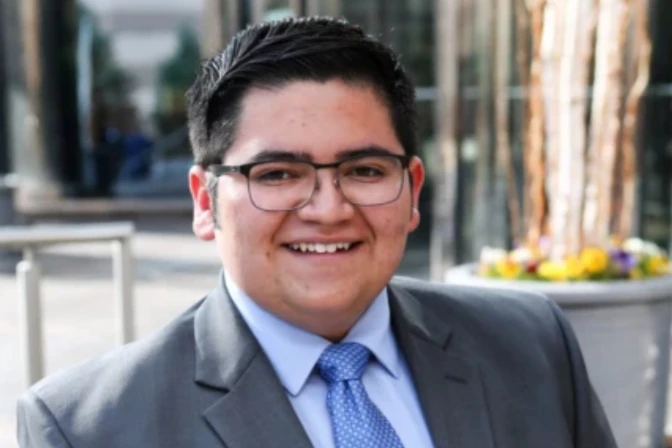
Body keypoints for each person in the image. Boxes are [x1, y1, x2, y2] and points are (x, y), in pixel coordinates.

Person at [17, 17, 616, 448]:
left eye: (365, 171)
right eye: (277, 174)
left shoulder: (532, 345)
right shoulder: (88, 427)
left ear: (412, 189)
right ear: (205, 201)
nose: (328, 210)